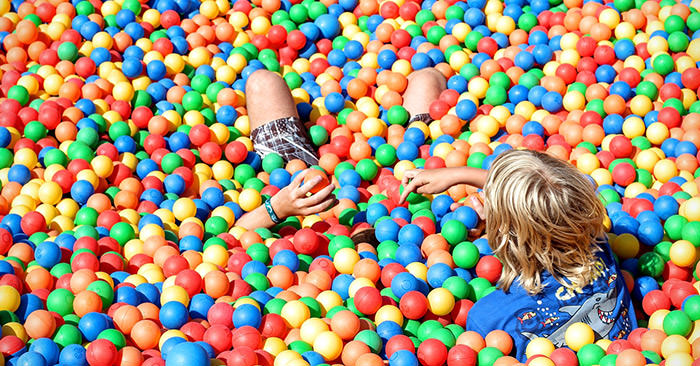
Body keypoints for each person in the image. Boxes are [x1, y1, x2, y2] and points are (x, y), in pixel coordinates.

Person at [399, 149, 636, 361]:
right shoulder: (597, 241)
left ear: (505, 239)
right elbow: (553, 193)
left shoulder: (489, 319)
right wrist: (459, 176)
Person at [235, 67, 447, 230]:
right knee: (429, 77)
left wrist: (278, 207)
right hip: (403, 177)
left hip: (298, 188)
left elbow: (230, 237)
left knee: (261, 81)